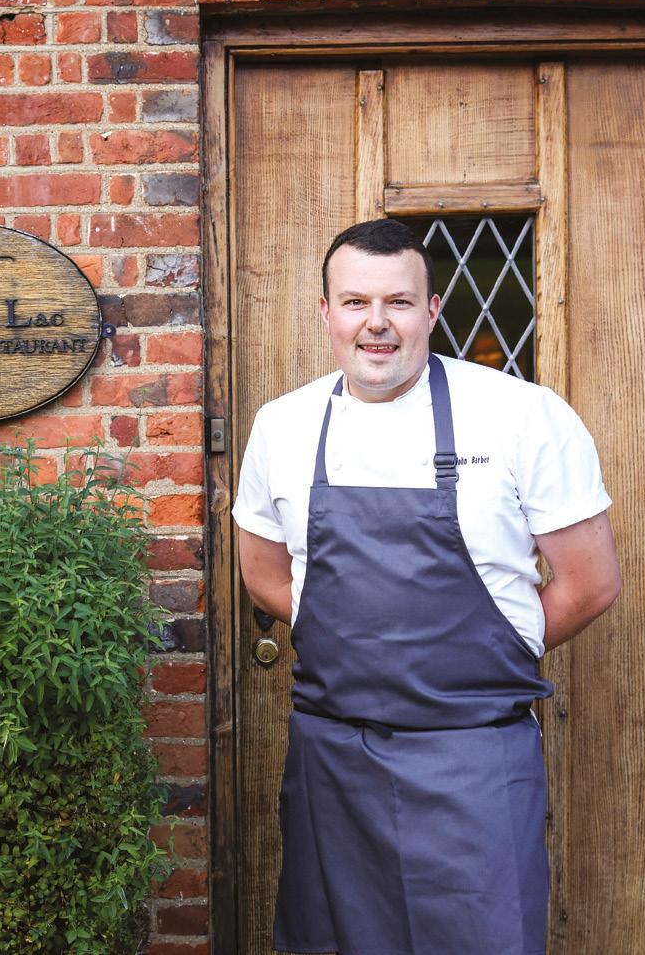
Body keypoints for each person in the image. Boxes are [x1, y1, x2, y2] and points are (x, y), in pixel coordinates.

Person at [231, 219, 621, 955]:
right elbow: (263, 572)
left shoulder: (520, 415)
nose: (376, 323)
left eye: (399, 302)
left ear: (432, 310)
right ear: (325, 312)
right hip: (332, 763)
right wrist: (360, 643)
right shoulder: (282, 426)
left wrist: (488, 652)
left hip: (473, 763)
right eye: (355, 302)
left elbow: (590, 583)